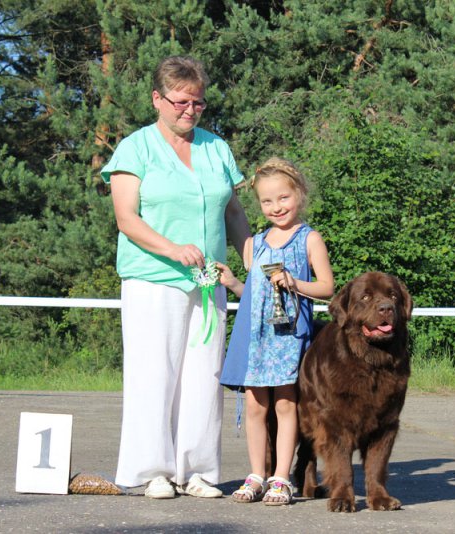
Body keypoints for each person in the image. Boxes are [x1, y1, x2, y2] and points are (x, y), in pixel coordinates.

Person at [100, 55, 251, 499]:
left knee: (206, 376)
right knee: (154, 374)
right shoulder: (135, 148)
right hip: (152, 279)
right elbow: (126, 219)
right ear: (157, 98)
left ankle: (199, 470)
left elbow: (234, 211)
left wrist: (255, 264)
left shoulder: (216, 148)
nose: (190, 110)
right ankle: (152, 472)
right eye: (182, 101)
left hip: (208, 282)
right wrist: (172, 249)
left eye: (199, 103)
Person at [215, 157, 334, 505]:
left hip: (288, 338)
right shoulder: (254, 244)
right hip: (256, 338)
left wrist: (295, 282)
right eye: (267, 201)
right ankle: (256, 474)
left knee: (285, 405)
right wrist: (235, 282)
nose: (276, 207)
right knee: (255, 408)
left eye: (283, 198)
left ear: (298, 193)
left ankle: (281, 477)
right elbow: (254, 296)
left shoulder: (309, 238)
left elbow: (327, 287)